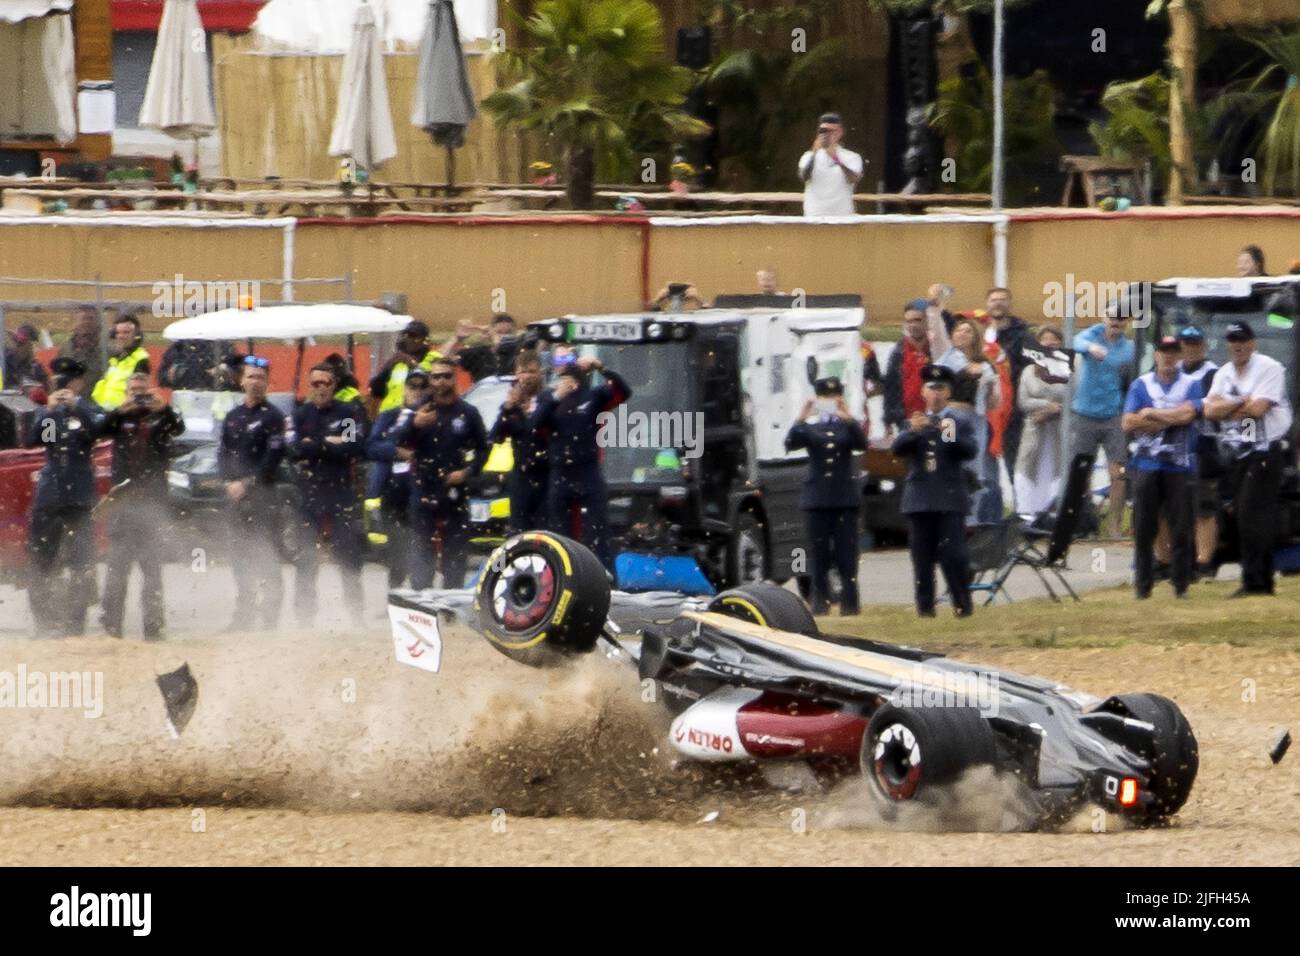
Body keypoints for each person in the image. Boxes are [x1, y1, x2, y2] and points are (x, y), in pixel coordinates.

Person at [1204, 320, 1293, 597]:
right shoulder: (1224, 373)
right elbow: (1209, 411)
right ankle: (1259, 579)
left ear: (1252, 343)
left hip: (1264, 451)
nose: (1237, 345)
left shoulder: (1269, 367)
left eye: (1242, 340)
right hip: (1238, 451)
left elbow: (1258, 408)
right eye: (1232, 340)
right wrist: (1239, 404)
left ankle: (1256, 581)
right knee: (1244, 516)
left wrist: (1229, 407)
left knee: (1251, 515)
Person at [98, 372, 186, 639]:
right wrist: (119, 410)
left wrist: (165, 408)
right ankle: (112, 626)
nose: (139, 397)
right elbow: (98, 431)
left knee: (152, 570)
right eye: (134, 391)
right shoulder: (120, 417)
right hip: (123, 501)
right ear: (126, 392)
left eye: (143, 391)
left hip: (152, 501)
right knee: (117, 569)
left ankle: (154, 628)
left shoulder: (160, 418)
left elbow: (179, 429)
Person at [25, 357, 106, 638]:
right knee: (41, 557)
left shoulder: (88, 409)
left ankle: (75, 624)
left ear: (79, 383)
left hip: (79, 494)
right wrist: (49, 410)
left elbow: (98, 432)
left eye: (67, 382)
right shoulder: (50, 413)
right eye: (58, 383)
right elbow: (37, 440)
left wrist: (77, 407)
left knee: (81, 561)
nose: (62, 388)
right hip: (51, 493)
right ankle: (45, 622)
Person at [892, 364, 977, 618]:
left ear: (949, 392)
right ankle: (925, 608)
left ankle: (962, 605)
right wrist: (913, 431)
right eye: (931, 389)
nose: (936, 394)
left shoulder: (958, 420)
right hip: (919, 499)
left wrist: (948, 434)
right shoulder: (916, 420)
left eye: (941, 389)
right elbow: (897, 449)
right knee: (921, 559)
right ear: (923, 392)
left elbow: (969, 450)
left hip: (949, 498)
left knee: (954, 555)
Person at [531, 352, 632, 569]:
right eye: (559, 372)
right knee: (560, 532)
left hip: (588, 470)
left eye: (568, 374)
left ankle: (604, 574)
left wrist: (601, 367)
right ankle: (563, 572)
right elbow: (534, 423)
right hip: (561, 472)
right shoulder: (549, 399)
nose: (563, 377)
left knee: (597, 529)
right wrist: (558, 395)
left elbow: (624, 391)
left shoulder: (593, 396)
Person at [396, 358, 489, 590]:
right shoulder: (419, 410)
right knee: (421, 551)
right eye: (436, 376)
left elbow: (484, 449)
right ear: (431, 380)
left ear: (454, 378)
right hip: (423, 487)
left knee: (455, 555)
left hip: (455, 488)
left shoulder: (468, 413)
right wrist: (414, 424)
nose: (441, 381)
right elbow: (396, 442)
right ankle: (421, 603)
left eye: (446, 376)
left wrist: (467, 472)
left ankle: (450, 608)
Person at [1122, 336, 1203, 600]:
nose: (1168, 357)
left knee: (1182, 528)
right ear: (1156, 355)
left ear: (1179, 356)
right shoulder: (1140, 385)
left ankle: (1180, 585)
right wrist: (1170, 418)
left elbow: (1188, 415)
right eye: (1163, 352)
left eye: (1173, 352)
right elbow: (1128, 423)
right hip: (1146, 464)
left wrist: (1153, 414)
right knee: (1145, 528)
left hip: (1180, 466)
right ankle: (1142, 586)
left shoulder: (1191, 384)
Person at [290, 362, 368, 626]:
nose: (320, 388)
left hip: (341, 495)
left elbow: (352, 448)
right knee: (305, 560)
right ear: (309, 386)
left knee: (349, 558)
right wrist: (329, 443)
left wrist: (317, 444)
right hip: (309, 496)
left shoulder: (346, 413)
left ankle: (356, 616)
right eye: (315, 383)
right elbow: (294, 449)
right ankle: (304, 618)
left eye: (326, 383)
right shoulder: (301, 414)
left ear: (334, 386)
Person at [785, 377, 866, 615]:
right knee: (818, 554)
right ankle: (820, 602)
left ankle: (850, 604)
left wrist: (848, 417)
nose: (830, 402)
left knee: (846, 555)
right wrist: (802, 416)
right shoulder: (811, 427)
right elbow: (790, 442)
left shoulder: (847, 426)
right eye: (825, 398)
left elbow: (861, 443)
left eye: (834, 397)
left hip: (843, 498)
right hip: (817, 498)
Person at [218, 355, 288, 630]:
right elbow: (223, 452)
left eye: (260, 377)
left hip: (263, 498)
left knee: (267, 557)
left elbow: (272, 458)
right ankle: (243, 617)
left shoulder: (274, 417)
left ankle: (270, 620)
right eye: (250, 377)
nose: (255, 382)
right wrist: (227, 482)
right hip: (235, 500)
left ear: (267, 382)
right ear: (242, 381)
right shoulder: (233, 416)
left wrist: (245, 484)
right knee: (239, 559)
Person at [1070, 305, 1135, 538]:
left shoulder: (1129, 348)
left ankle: (1115, 526)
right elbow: (1075, 342)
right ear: (1103, 317)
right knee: (1081, 472)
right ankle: (1085, 522)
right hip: (1085, 413)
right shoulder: (1092, 335)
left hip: (1113, 416)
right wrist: (1091, 347)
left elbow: (1133, 378)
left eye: (1120, 318)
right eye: (1111, 316)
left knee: (1117, 473)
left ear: (1126, 322)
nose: (1115, 321)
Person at [931, 314, 1000, 522]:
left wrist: (988, 382)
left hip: (975, 419)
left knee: (973, 468)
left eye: (967, 330)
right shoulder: (946, 357)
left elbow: (995, 402)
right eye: (958, 330)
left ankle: (971, 521)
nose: (962, 333)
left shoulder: (985, 364)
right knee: (949, 457)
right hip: (950, 416)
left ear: (976, 336)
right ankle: (946, 517)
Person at [365, 369, 428, 589]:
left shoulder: (432, 416)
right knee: (396, 551)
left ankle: (421, 599)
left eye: (422, 387)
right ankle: (394, 598)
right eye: (413, 386)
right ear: (404, 389)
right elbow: (370, 446)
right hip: (392, 491)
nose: (417, 392)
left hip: (423, 492)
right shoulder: (389, 415)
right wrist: (397, 451)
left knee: (420, 550)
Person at [1176, 327, 1221, 575]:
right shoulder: (1171, 371)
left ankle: (1204, 562)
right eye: (1186, 344)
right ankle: (1176, 559)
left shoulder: (1213, 373)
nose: (1190, 349)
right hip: (1175, 448)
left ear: (1203, 347)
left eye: (1195, 344)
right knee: (1176, 507)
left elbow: (1210, 407)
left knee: (1204, 508)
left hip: (1204, 448)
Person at [488, 351, 551, 532]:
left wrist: (526, 413)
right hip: (521, 475)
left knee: (545, 528)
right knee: (519, 528)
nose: (527, 377)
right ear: (516, 374)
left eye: (532, 372)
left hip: (546, 474)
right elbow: (496, 436)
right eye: (523, 372)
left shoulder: (548, 400)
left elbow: (542, 429)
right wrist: (508, 408)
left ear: (540, 373)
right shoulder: (511, 406)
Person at [1013, 327, 1070, 517]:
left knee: (1056, 469)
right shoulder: (1029, 371)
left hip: (1059, 428)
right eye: (1044, 340)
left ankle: (1053, 513)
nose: (1049, 344)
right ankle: (1027, 513)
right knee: (1027, 468)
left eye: (1054, 340)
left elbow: (1072, 398)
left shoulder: (1069, 371)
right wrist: (1047, 406)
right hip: (1034, 427)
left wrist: (1056, 409)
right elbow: (1023, 401)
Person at [985, 288, 1033, 477]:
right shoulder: (980, 334)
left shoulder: (1023, 337)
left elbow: (1031, 372)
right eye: (993, 299)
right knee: (985, 471)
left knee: (1016, 468)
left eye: (1002, 299)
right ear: (987, 304)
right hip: (985, 412)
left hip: (1013, 412)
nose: (997, 303)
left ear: (1009, 304)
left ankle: (1021, 506)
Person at [797, 112, 863, 217]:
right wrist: (814, 153)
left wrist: (836, 158)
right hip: (814, 215)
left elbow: (853, 179)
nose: (827, 135)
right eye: (823, 131)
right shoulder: (808, 156)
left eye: (831, 131)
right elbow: (803, 177)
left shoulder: (852, 157)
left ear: (840, 132)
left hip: (842, 215)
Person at [369, 320, 441, 414]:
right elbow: (376, 390)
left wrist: (413, 364)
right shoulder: (397, 363)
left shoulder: (434, 358)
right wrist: (388, 365)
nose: (408, 340)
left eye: (413, 336)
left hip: (420, 413)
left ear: (425, 340)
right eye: (406, 336)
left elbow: (437, 385)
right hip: (390, 415)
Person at [882, 301, 932, 435]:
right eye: (909, 321)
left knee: (945, 452)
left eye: (918, 320)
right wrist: (887, 421)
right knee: (908, 455)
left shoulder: (938, 350)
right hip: (906, 422)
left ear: (927, 321)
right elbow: (890, 387)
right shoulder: (898, 352)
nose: (913, 325)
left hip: (937, 419)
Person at [91, 313, 151, 409]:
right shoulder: (115, 359)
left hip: (123, 413)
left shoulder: (140, 359)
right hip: (102, 411)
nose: (121, 336)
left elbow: (139, 394)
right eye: (118, 333)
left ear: (137, 335)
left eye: (126, 332)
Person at [442, 314, 522, 382]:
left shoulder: (521, 354)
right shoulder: (479, 353)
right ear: (490, 334)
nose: (504, 337)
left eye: (508, 333)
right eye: (499, 333)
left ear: (515, 334)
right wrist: (457, 338)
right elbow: (443, 360)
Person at [59, 307, 105, 394]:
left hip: (96, 401)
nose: (87, 322)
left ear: (98, 323)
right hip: (69, 399)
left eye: (91, 318)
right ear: (76, 322)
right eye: (83, 318)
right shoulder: (66, 347)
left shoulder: (106, 348)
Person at [2, 324, 49, 390]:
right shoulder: (4, 336)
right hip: (4, 371)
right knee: (9, 355)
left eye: (28, 339)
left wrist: (34, 367)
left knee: (38, 369)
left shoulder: (28, 345)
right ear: (18, 332)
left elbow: (29, 362)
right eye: (25, 337)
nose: (26, 340)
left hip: (16, 373)